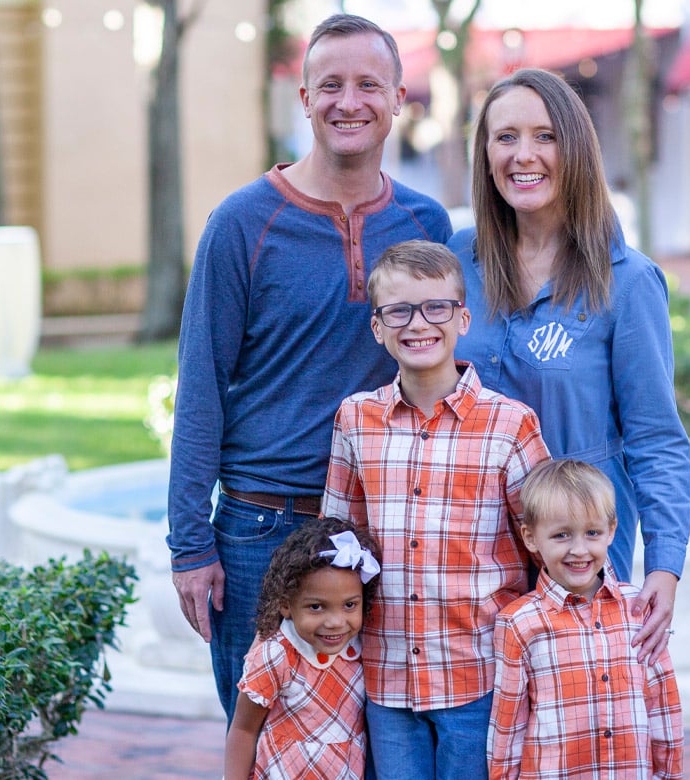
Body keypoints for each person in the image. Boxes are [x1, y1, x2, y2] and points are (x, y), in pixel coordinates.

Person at [166, 13, 453, 722]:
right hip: (260, 530)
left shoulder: (426, 225)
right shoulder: (242, 222)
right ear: (304, 98)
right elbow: (199, 383)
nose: (347, 102)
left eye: (367, 84)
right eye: (330, 84)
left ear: (397, 99)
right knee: (263, 743)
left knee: (372, 743)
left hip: (379, 527)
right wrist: (188, 545)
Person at [449, 68, 690, 665]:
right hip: (468, 559)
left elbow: (656, 437)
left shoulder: (627, 283)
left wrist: (665, 564)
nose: (523, 155)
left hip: (575, 562)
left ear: (577, 149)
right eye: (505, 137)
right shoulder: (456, 260)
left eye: (545, 136)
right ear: (484, 154)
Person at [323, 240, 551, 780]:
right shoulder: (355, 420)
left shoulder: (511, 424)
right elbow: (336, 545)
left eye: (436, 308)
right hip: (387, 674)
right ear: (378, 327)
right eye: (398, 310)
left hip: (480, 672)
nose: (417, 323)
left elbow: (545, 547)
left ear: (463, 318)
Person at [488, 458, 683, 780]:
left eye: (592, 532)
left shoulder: (638, 610)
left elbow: (663, 705)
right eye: (562, 535)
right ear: (531, 537)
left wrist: (668, 774)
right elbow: (508, 725)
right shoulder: (518, 623)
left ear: (611, 531)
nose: (579, 550)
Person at [224, 517, 382, 780]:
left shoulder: (359, 648)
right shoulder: (277, 656)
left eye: (349, 605)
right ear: (286, 604)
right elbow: (243, 729)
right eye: (316, 607)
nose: (335, 622)